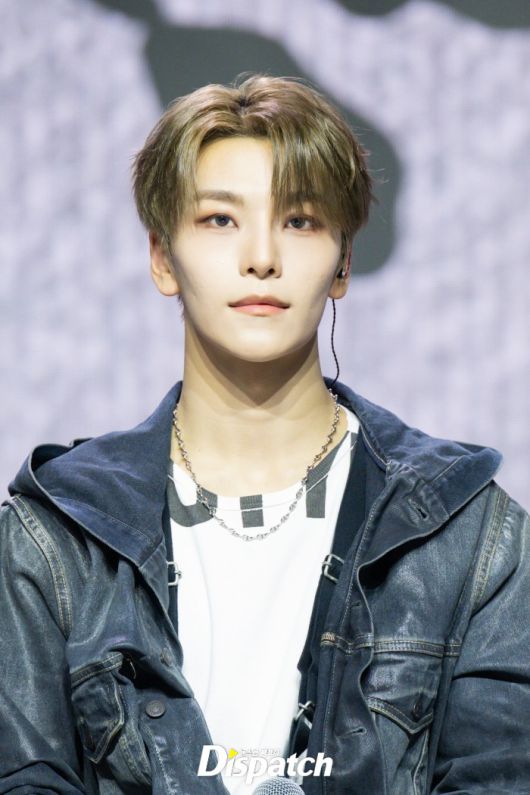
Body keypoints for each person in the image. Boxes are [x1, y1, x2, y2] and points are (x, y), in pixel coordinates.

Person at [0, 73, 529, 795]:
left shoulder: (468, 538)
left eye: (300, 221)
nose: (261, 257)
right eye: (220, 220)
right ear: (162, 257)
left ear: (343, 263)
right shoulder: (56, 540)